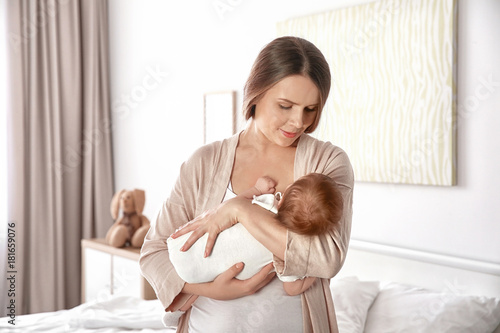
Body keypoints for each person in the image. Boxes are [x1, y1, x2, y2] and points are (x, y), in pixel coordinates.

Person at [140, 36, 354, 333]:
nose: (298, 122)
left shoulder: (327, 163)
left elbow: (326, 257)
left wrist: (243, 212)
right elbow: (153, 251)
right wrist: (207, 289)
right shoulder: (204, 162)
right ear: (256, 92)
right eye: (285, 105)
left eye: (310, 109)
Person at [167, 173, 343, 296]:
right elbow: (292, 289)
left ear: (284, 196)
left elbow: (234, 205)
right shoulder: (286, 256)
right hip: (196, 278)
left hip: (178, 246)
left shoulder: (266, 205)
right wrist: (312, 273)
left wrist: (257, 189)